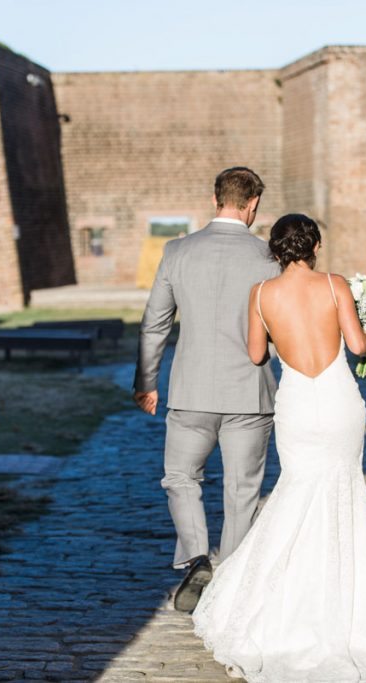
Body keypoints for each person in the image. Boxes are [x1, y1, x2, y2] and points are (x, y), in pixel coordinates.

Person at [192, 214, 366, 681]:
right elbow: (357, 346)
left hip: (294, 404)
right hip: (337, 403)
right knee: (340, 497)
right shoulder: (334, 285)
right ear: (316, 246)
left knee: (295, 493)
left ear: (275, 251)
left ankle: (269, 610)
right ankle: (342, 618)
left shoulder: (261, 294)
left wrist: (278, 331)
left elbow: (255, 355)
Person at [133, 167, 282, 612]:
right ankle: (231, 583)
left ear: (215, 198)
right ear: (252, 204)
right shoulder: (268, 257)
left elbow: (154, 323)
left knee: (180, 477)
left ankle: (197, 554)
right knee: (242, 493)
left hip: (190, 391)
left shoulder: (178, 251)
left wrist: (146, 382)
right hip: (249, 393)